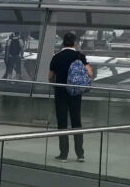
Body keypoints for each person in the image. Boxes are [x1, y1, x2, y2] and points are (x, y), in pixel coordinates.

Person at [48, 32, 93, 163]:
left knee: (62, 123)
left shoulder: (56, 57)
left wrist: (55, 85)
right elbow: (90, 73)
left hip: (61, 93)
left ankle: (63, 155)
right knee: (76, 122)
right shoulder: (80, 56)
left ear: (63, 43)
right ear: (75, 43)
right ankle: (80, 154)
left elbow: (50, 77)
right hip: (76, 94)